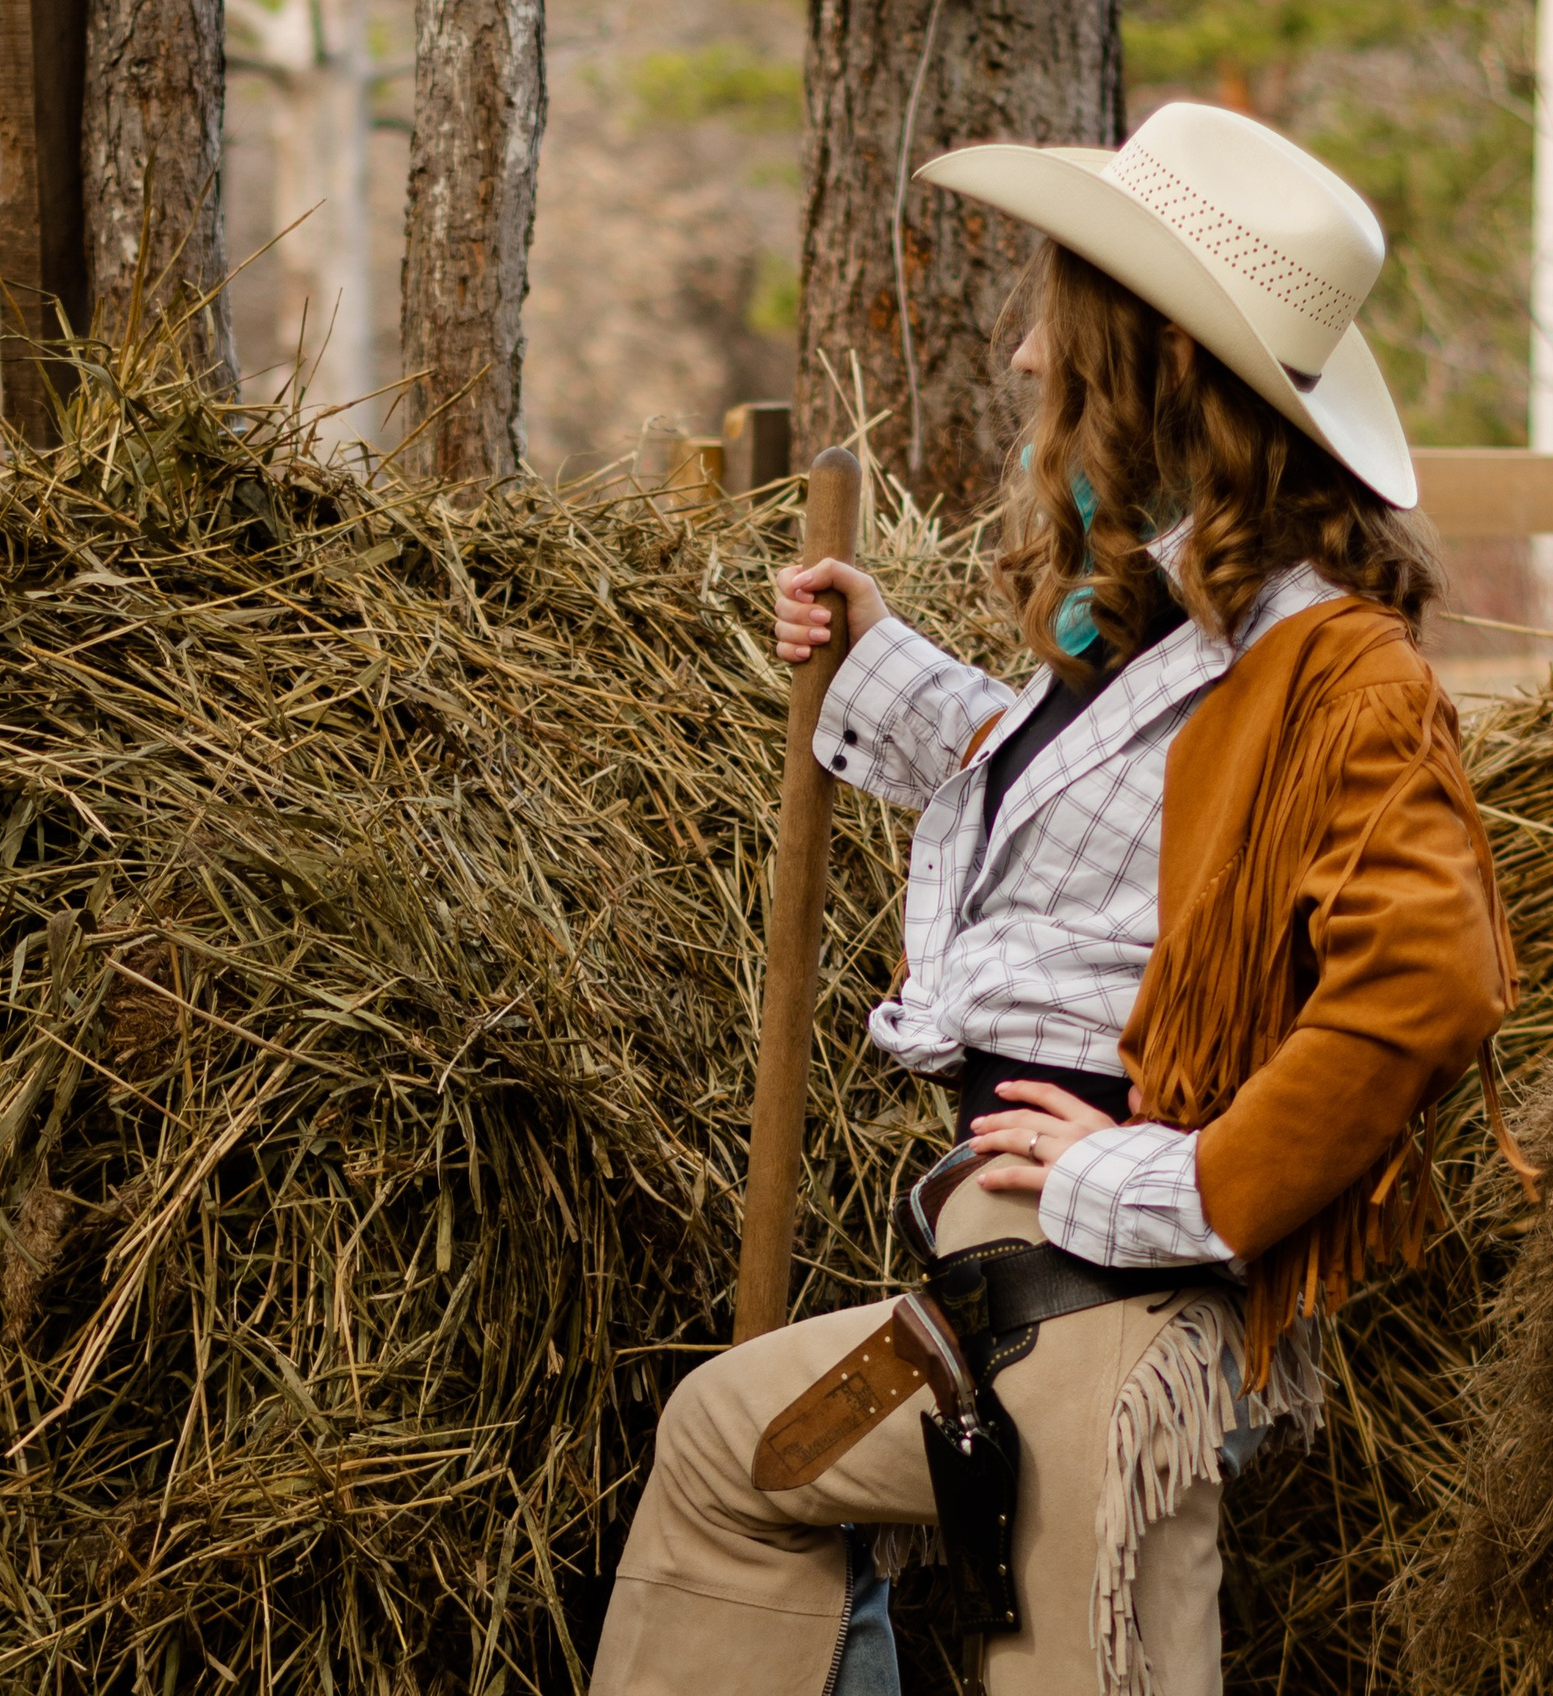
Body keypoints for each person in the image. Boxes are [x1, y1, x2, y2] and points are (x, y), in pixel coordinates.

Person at [587, 102, 1530, 1696]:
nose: (1024, 361)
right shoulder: (1171, 644)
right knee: (737, 1451)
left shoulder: (1340, 672)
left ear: (1154, 366)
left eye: (1057, 326)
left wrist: (1184, 1187)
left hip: (1117, 1333)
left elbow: (1429, 983)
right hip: (998, 1303)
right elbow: (1093, 820)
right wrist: (873, 663)